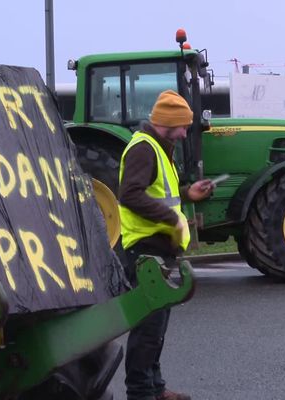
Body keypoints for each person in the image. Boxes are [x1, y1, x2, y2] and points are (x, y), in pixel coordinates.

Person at [118, 90, 213, 400]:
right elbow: (130, 194)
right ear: (168, 122)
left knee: (157, 327)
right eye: (183, 126)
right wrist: (172, 220)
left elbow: (163, 194)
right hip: (145, 250)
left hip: (160, 250)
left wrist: (188, 194)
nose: (186, 132)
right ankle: (140, 393)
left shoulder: (159, 148)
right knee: (148, 328)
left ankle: (155, 389)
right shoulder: (144, 149)